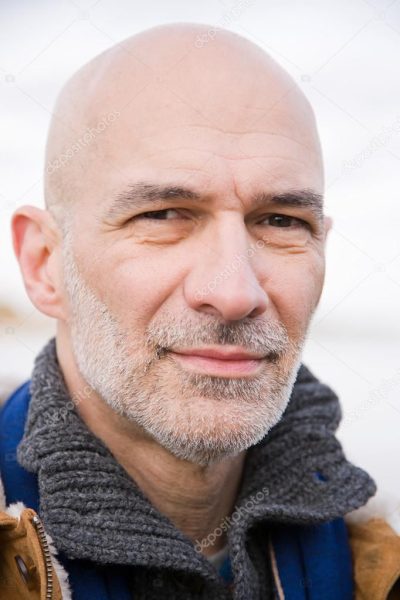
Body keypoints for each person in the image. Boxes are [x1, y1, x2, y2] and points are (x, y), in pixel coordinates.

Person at [1, 22, 399, 600]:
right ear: (44, 264)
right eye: (163, 215)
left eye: (281, 221)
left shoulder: (376, 564)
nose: (235, 292)